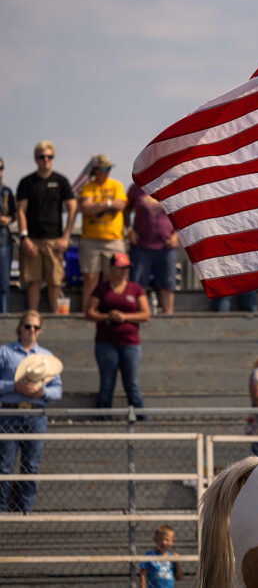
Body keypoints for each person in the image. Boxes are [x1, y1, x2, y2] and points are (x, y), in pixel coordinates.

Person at [0, 312, 63, 513]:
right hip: (9, 413)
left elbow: (58, 390)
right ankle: (2, 510)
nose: (31, 331)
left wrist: (42, 391)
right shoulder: (4, 353)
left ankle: (25, 510)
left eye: (35, 327)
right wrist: (14, 387)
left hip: (35, 414)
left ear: (40, 331)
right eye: (28, 326)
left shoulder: (47, 357)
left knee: (32, 466)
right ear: (20, 328)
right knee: (4, 467)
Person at [85, 253, 151, 415]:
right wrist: (107, 316)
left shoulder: (135, 289)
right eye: (120, 268)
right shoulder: (102, 289)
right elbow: (89, 312)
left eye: (126, 268)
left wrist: (125, 317)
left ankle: (141, 420)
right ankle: (103, 419)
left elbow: (145, 314)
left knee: (132, 384)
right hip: (106, 342)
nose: (123, 272)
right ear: (112, 268)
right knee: (107, 384)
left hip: (130, 343)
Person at [16, 140, 77, 312]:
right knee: (33, 282)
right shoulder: (26, 182)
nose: (46, 160)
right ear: (36, 159)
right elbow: (21, 211)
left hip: (54, 240)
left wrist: (66, 237)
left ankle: (59, 322)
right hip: (32, 240)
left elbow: (73, 208)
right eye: (42, 157)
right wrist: (24, 238)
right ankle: (32, 319)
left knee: (55, 282)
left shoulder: (61, 180)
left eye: (50, 157)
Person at [78, 154, 129, 310]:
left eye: (108, 168)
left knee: (114, 277)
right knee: (90, 278)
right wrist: (108, 203)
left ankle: (109, 310)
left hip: (114, 240)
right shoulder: (87, 187)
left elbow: (121, 205)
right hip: (90, 240)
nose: (106, 172)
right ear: (95, 170)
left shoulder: (117, 185)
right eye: (103, 168)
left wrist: (98, 205)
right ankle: (88, 312)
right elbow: (85, 208)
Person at [126, 184, 178, 315]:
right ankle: (139, 315)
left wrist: (176, 235)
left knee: (167, 284)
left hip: (167, 246)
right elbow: (126, 210)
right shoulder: (135, 187)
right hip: (141, 245)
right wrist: (129, 230)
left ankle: (168, 316)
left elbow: (182, 213)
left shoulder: (173, 185)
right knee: (138, 284)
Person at [0, 158, 15, 313]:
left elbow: (14, 214)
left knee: (4, 284)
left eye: (1, 168)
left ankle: (3, 318)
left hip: (3, 241)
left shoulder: (6, 191)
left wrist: (8, 219)